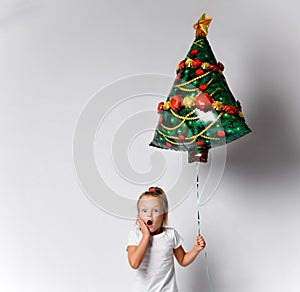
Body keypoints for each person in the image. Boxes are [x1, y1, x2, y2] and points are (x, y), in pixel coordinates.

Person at [127, 186, 206, 292]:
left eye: (155, 210)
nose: (149, 215)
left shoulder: (171, 235)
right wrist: (146, 236)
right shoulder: (135, 236)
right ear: (139, 216)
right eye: (144, 210)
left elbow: (183, 260)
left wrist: (196, 249)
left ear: (163, 215)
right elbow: (134, 263)